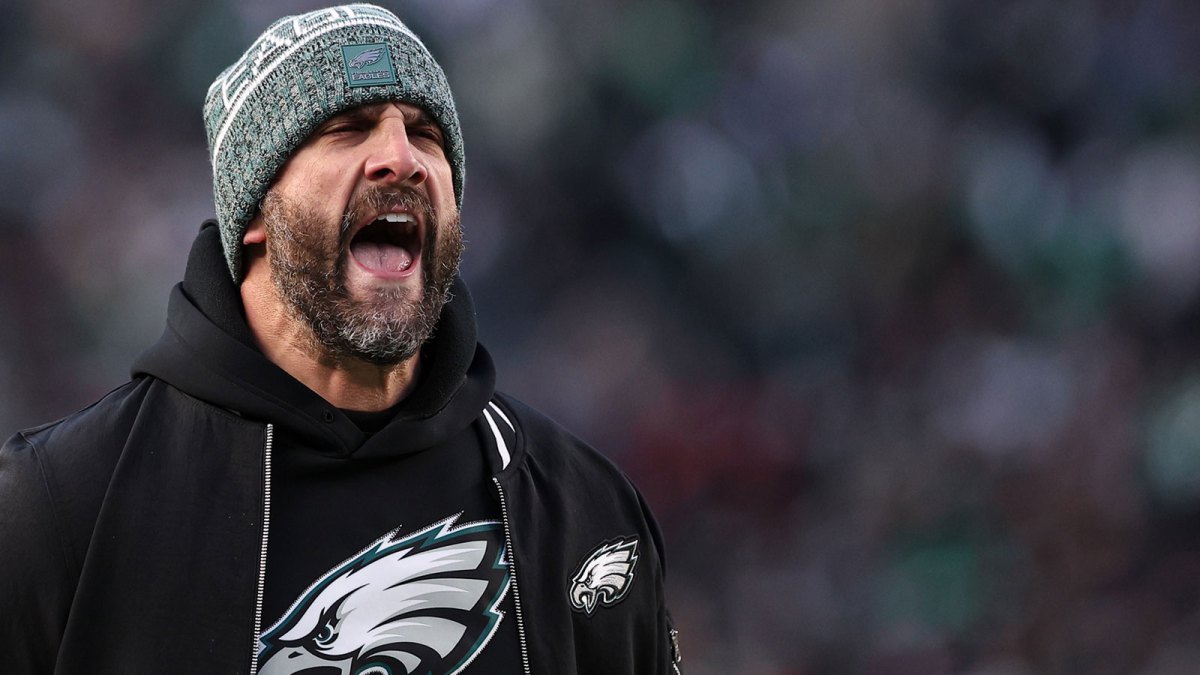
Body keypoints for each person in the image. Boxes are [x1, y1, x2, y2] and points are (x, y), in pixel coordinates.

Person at [0, 4, 682, 673]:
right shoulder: (61, 504)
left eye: (426, 134)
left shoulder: (584, 509)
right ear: (255, 211)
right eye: (348, 129)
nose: (401, 159)